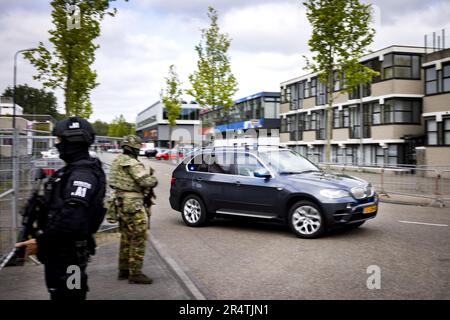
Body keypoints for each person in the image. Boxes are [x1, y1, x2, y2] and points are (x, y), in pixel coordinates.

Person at [16, 117, 106, 300]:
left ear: (71, 140)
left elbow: (73, 218)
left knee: (70, 296)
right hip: (61, 253)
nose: (57, 144)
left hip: (70, 256)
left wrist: (41, 242)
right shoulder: (70, 171)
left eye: (59, 140)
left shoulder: (83, 173)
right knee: (59, 293)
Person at [108, 135, 157, 284]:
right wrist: (154, 180)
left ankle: (123, 270)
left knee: (126, 236)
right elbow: (146, 181)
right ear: (135, 148)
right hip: (133, 204)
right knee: (139, 236)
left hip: (120, 203)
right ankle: (135, 273)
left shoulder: (117, 160)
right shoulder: (132, 163)